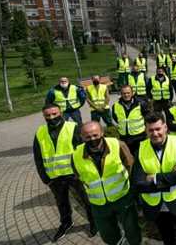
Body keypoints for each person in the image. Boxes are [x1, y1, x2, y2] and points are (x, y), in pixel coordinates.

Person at [131, 113, 176, 245]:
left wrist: (154, 178)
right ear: (146, 130)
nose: (155, 133)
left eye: (158, 129)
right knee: (168, 239)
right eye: (151, 130)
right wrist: (171, 178)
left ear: (165, 127)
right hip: (157, 206)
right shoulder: (141, 148)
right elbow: (138, 183)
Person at [72, 122, 141, 245]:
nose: (92, 139)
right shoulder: (76, 155)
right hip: (98, 204)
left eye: (95, 135)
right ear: (82, 137)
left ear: (102, 133)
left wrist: (133, 194)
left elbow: (131, 167)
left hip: (123, 198)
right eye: (87, 137)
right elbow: (79, 178)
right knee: (108, 236)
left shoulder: (118, 145)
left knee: (132, 231)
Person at [33, 104, 95, 241]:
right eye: (48, 115)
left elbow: (83, 151)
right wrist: (45, 178)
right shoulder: (40, 132)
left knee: (86, 200)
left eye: (54, 114)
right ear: (44, 116)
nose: (51, 117)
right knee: (62, 203)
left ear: (60, 112)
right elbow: (38, 157)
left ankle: (93, 222)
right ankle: (66, 223)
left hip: (74, 174)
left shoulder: (73, 128)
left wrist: (85, 173)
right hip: (54, 177)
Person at [111, 85, 149, 156]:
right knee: (128, 158)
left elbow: (147, 118)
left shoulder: (141, 104)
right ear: (121, 94)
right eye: (124, 93)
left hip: (139, 137)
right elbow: (116, 118)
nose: (126, 95)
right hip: (124, 138)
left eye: (128, 93)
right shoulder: (115, 106)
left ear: (132, 93)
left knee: (141, 156)